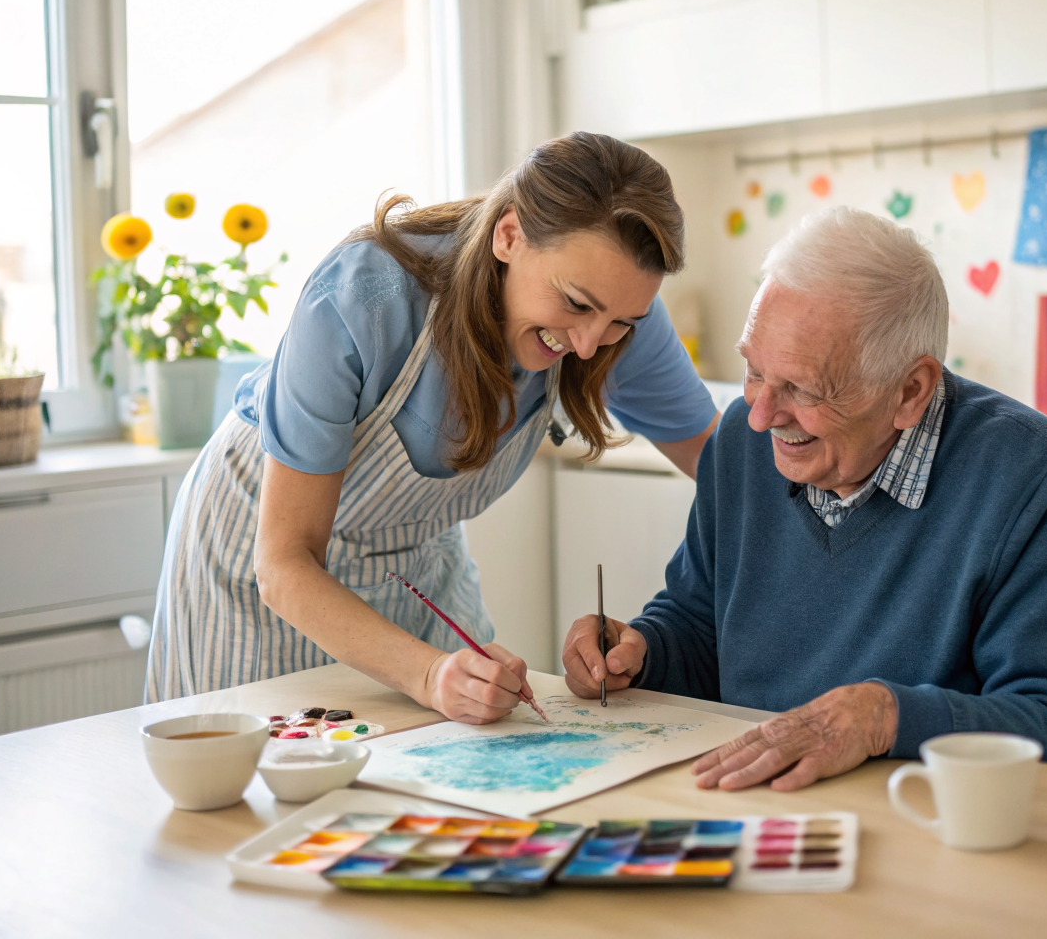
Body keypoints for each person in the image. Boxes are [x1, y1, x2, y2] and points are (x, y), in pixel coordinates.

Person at [147, 133, 719, 724]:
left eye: (621, 322)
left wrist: (656, 637)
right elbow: (285, 562)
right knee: (271, 782)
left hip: (416, 560)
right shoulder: (365, 293)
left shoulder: (612, 313)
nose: (587, 343)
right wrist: (427, 675)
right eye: (574, 304)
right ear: (509, 235)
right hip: (264, 558)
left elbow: (732, 472)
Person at [562, 206, 1047, 789]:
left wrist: (886, 718)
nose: (761, 417)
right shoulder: (740, 442)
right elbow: (701, 626)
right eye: (753, 371)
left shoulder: (1024, 472)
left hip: (922, 824)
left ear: (909, 391)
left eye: (801, 388)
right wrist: (640, 652)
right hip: (758, 804)